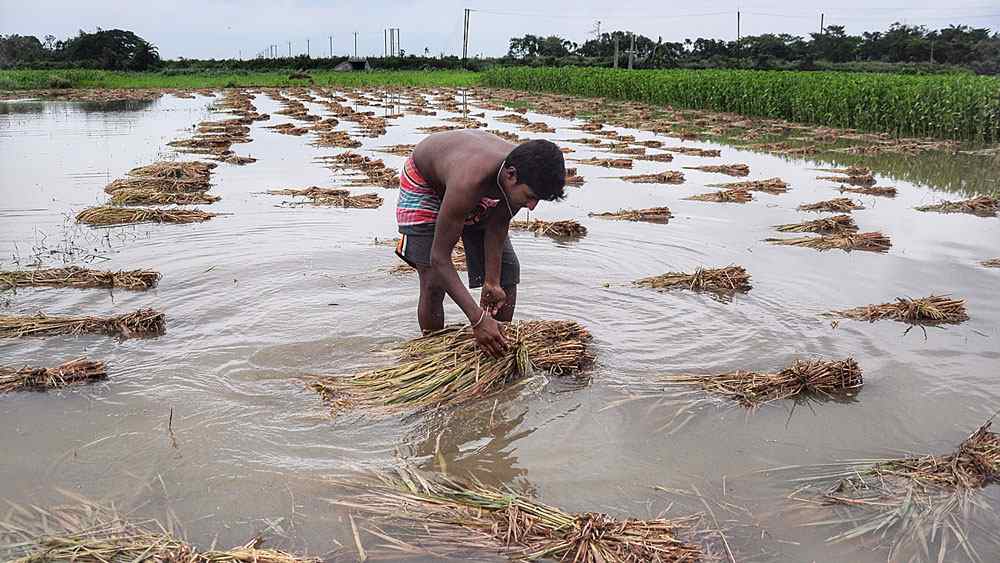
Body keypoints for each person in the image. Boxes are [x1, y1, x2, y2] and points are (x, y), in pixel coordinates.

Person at [394, 130, 567, 357]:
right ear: (511, 175)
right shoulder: (469, 179)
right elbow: (440, 259)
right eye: (530, 197)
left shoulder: (520, 179)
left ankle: (496, 349)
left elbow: (496, 226)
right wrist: (477, 319)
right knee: (433, 281)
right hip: (426, 182)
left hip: (481, 185)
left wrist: (492, 281)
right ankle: (430, 353)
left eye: (538, 200)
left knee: (507, 271)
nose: (532, 206)